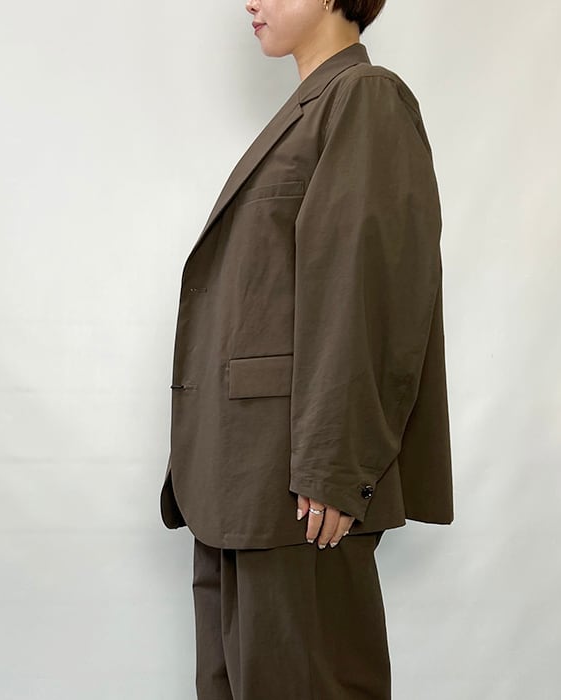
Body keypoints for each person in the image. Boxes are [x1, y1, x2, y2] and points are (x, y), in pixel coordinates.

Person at [159, 1, 454, 698]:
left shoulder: (364, 97)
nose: (250, 1)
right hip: (239, 481)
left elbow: (368, 290)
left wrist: (334, 464)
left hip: (297, 489)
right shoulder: (310, 109)